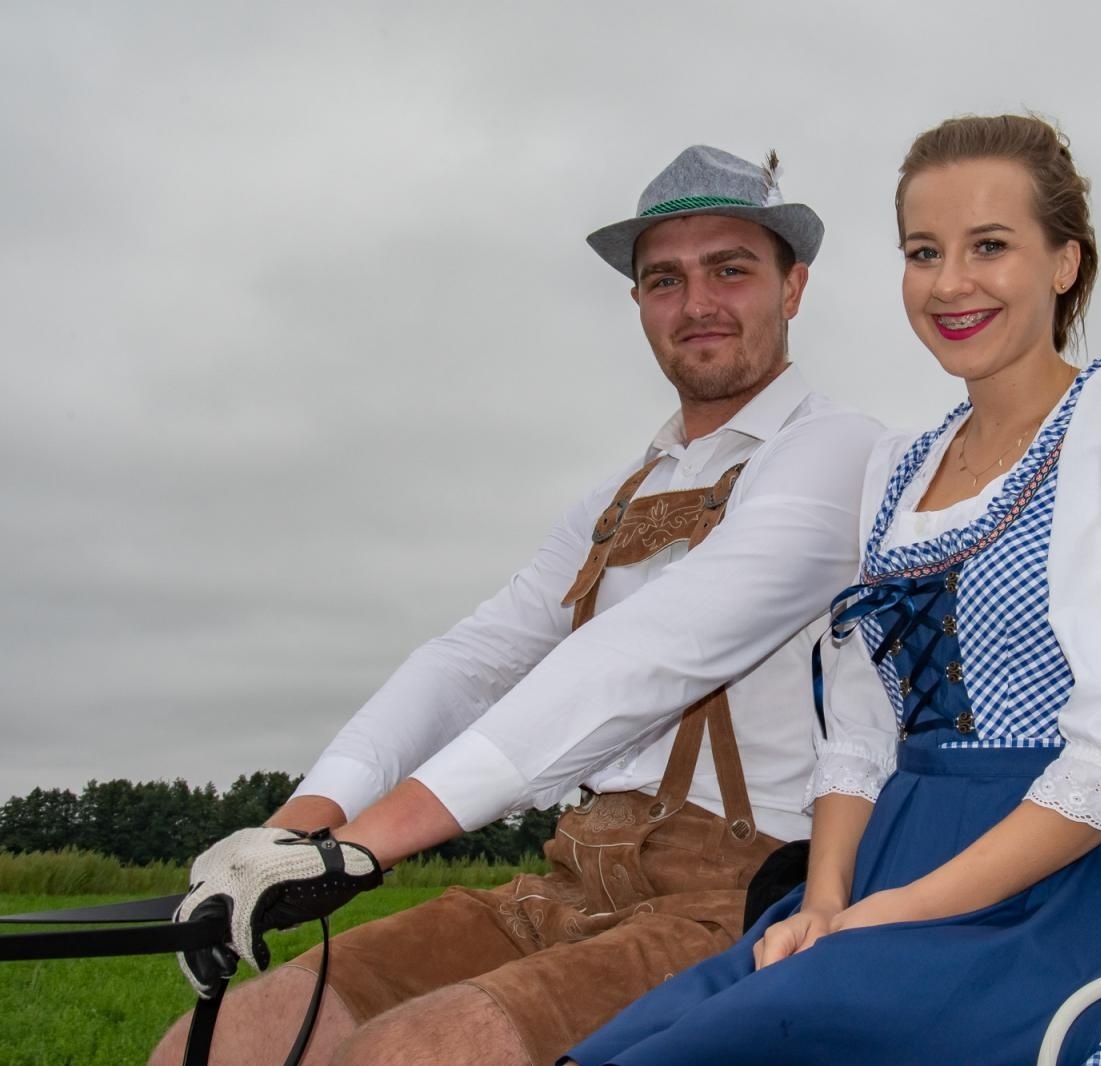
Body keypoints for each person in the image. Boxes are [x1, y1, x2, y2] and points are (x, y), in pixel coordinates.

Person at [150, 145, 883, 1066]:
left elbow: (652, 653)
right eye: (665, 280)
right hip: (574, 878)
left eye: (730, 270)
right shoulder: (621, 495)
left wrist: (369, 845)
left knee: (417, 1051)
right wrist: (300, 825)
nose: (697, 304)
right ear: (639, 305)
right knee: (220, 1042)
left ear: (794, 287)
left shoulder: (841, 453)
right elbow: (474, 659)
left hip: (741, 895)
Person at [565, 113, 1101, 1066]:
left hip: (1074, 880)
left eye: (990, 246)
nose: (950, 284)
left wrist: (887, 917)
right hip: (893, 859)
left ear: (1064, 261)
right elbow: (859, 734)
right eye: (922, 252)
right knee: (631, 1040)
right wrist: (825, 903)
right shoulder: (901, 470)